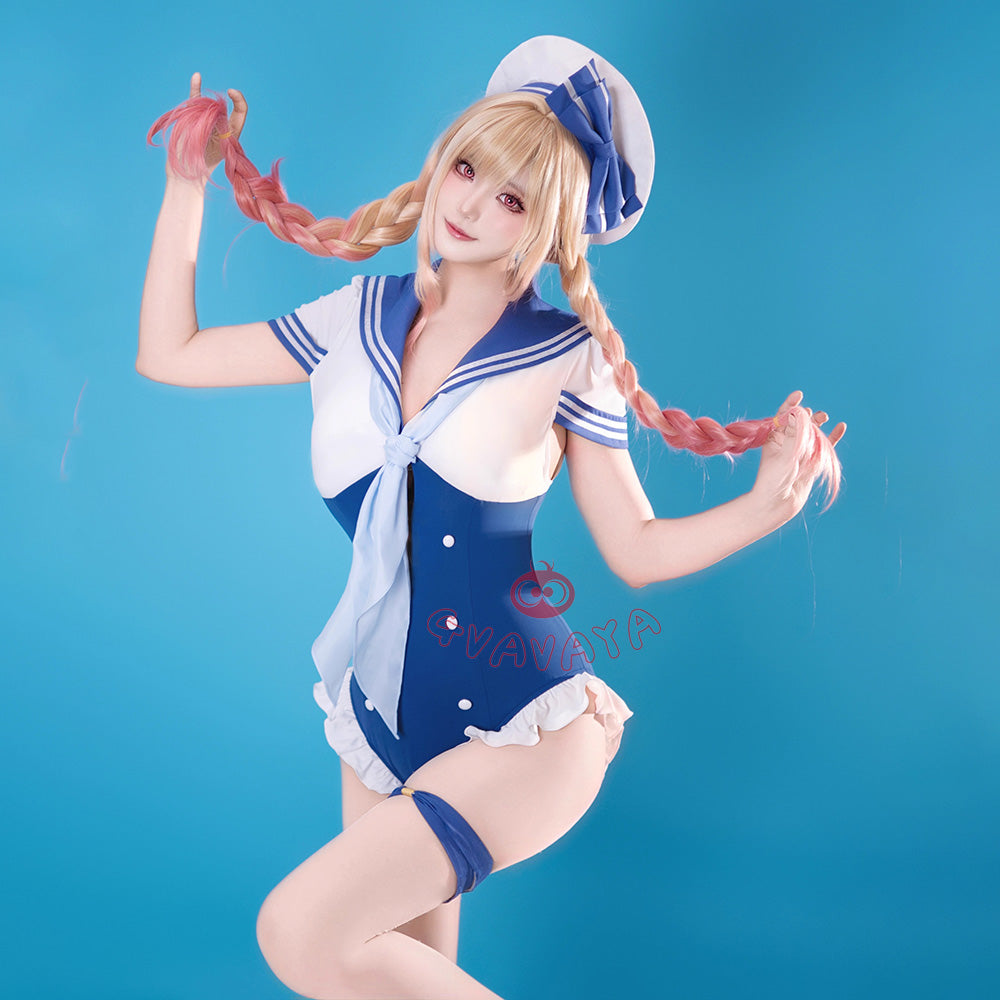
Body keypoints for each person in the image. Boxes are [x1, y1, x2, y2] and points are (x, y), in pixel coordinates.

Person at [139, 36, 845, 1000]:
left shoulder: (566, 355)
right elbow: (171, 352)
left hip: (527, 728)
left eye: (513, 199)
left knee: (300, 933)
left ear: (547, 230)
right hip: (380, 719)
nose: (470, 204)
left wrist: (766, 507)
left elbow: (636, 550)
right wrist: (186, 185)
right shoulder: (355, 316)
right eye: (469, 167)